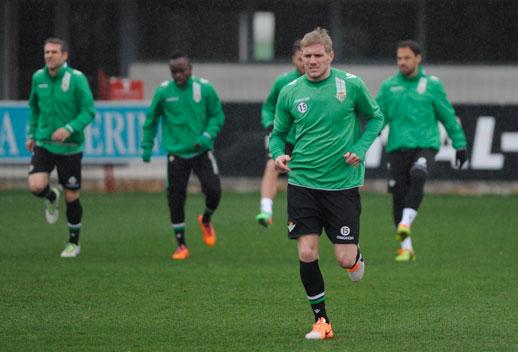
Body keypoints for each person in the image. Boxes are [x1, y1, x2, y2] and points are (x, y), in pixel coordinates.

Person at [270, 28, 384, 340]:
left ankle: (355, 257)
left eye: (318, 55)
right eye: (307, 56)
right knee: (306, 253)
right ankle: (322, 321)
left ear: (330, 56)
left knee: (344, 258)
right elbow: (278, 133)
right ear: (300, 58)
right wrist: (278, 154)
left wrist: (359, 150)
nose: (312, 61)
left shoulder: (351, 85)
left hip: (341, 185)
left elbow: (376, 118)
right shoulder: (290, 91)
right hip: (303, 182)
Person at [376, 40, 468, 262]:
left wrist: (460, 144)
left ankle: (406, 223)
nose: (402, 62)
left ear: (418, 58)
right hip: (397, 147)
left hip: (425, 144)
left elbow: (447, 115)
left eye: (406, 58)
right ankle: (406, 248)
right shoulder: (389, 87)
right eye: (399, 58)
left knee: (419, 173)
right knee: (398, 197)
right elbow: (377, 118)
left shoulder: (432, 85)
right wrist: (362, 141)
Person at [141, 51, 225, 261]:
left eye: (182, 70)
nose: (178, 75)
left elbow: (217, 115)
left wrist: (206, 136)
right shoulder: (163, 92)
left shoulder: (204, 88)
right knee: (175, 198)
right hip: (176, 153)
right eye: (174, 71)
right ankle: (181, 245)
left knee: (214, 190)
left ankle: (205, 219)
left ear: (190, 69)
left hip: (201, 150)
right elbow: (151, 121)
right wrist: (146, 146)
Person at [26, 37, 95, 258]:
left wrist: (69, 127)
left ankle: (73, 243)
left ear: (64, 55)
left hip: (71, 147)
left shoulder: (77, 79)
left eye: (54, 52)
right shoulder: (38, 78)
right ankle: (50, 197)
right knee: (36, 186)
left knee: (72, 196)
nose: (49, 56)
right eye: (46, 52)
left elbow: (88, 111)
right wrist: (32, 133)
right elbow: (34, 108)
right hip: (45, 143)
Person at [255, 39, 304, 227]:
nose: (305, 62)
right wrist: (269, 123)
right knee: (271, 165)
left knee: (300, 178)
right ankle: (266, 210)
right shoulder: (283, 82)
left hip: (307, 139)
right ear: (293, 59)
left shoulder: (319, 81)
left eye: (307, 57)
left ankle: (301, 215)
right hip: (285, 137)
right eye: (300, 58)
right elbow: (268, 107)